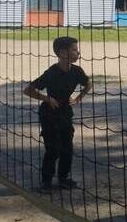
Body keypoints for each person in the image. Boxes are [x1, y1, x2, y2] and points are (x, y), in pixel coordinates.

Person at [23, 36, 92, 192]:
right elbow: (28, 90)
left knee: (67, 147)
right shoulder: (51, 73)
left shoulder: (77, 71)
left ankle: (63, 178)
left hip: (66, 113)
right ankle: (46, 182)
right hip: (49, 114)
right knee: (53, 149)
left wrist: (78, 98)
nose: (78, 52)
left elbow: (88, 83)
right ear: (62, 53)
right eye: (74, 49)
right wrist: (47, 99)